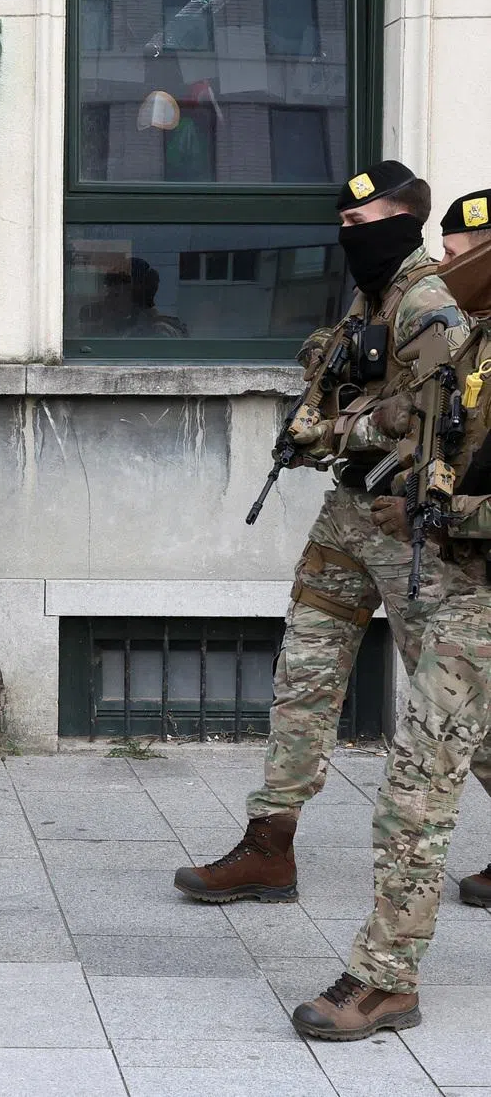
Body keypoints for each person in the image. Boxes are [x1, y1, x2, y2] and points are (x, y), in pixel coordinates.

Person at [175, 160, 475, 904]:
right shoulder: (365, 301)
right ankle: (269, 844)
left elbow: (441, 422)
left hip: (409, 526)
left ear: (405, 221)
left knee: (460, 698)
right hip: (346, 516)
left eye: (361, 227)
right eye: (342, 227)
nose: (348, 239)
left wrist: (343, 430)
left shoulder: (431, 305)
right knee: (303, 678)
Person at [292, 191, 491, 1039]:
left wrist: (444, 516)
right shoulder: (471, 340)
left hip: (472, 591)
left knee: (416, 787)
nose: (452, 252)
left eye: (469, 241)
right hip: (454, 583)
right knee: (450, 759)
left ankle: (386, 978)